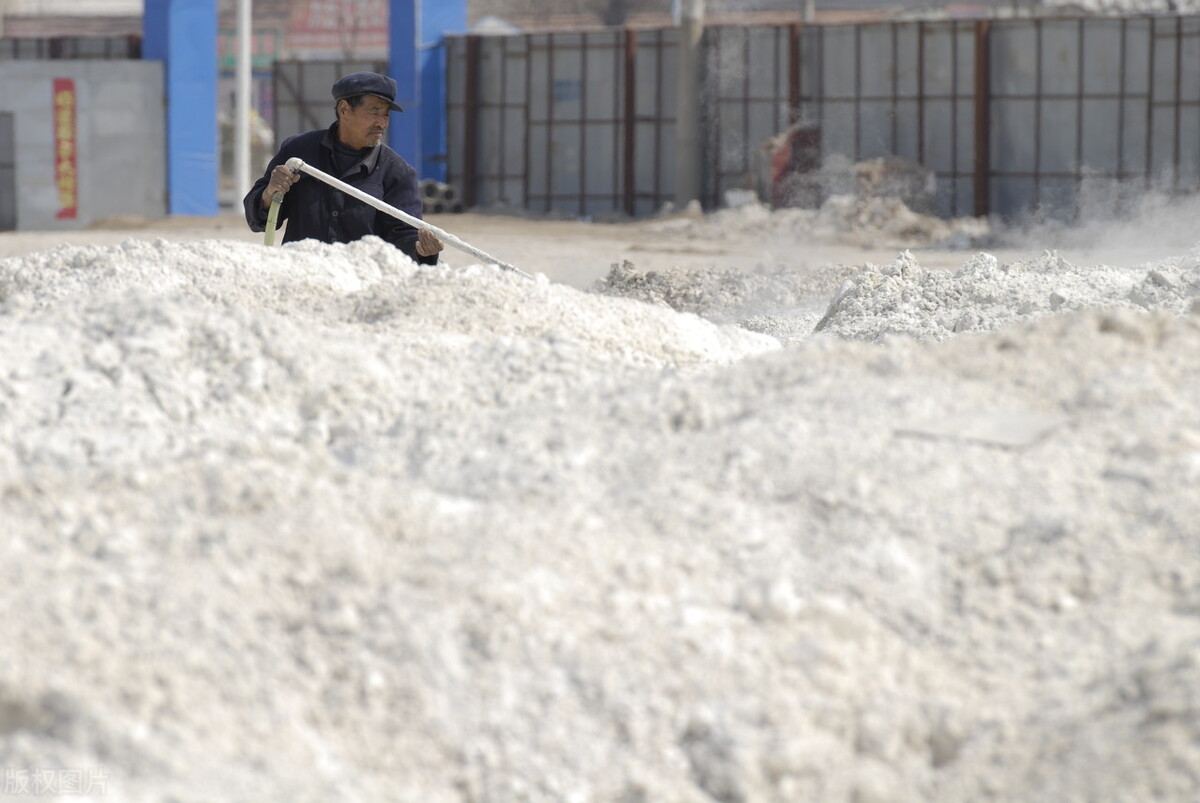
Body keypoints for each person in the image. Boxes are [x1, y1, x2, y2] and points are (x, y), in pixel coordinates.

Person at [244, 71, 443, 263]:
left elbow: (404, 235)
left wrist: (421, 250)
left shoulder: (397, 172)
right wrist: (269, 194)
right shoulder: (298, 152)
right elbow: (258, 219)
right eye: (374, 111)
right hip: (302, 279)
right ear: (344, 110)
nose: (381, 123)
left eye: (386, 115)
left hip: (360, 287)